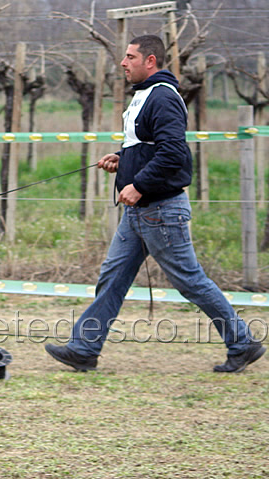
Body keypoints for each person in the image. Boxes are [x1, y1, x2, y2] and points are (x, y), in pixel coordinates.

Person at [45, 35, 265, 373]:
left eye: (130, 57)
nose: (123, 62)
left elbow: (174, 153)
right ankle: (84, 348)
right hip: (140, 211)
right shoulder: (144, 96)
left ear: (150, 61)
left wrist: (139, 184)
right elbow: (151, 146)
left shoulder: (163, 97)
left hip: (161, 209)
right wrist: (123, 159)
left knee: (190, 281)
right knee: (113, 276)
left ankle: (242, 342)